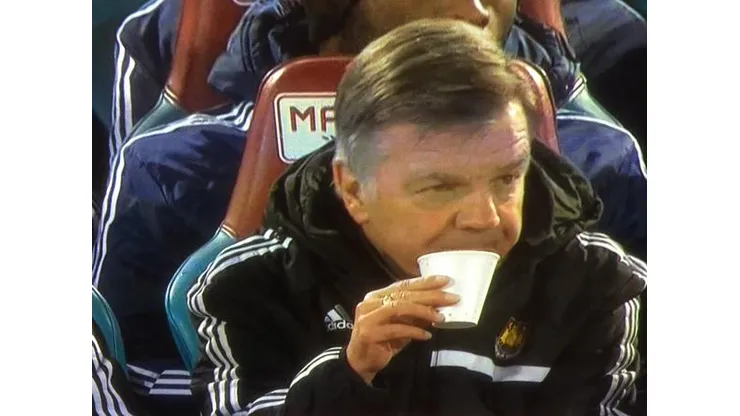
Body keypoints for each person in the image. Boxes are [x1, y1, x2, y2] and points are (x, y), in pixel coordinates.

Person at [94, 0, 645, 384]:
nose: (479, 9)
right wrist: (342, 381)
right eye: (438, 185)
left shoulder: (598, 163)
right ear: (350, 190)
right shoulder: (176, 170)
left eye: (508, 178)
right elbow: (140, 384)